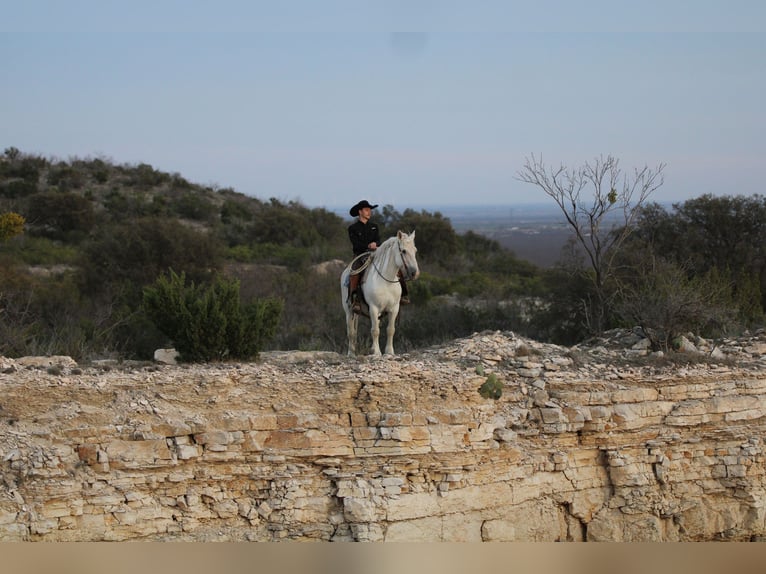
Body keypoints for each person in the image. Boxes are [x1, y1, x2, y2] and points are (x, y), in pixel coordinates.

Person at [347, 199, 409, 313]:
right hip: (360, 255)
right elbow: (356, 244)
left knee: (395, 266)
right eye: (366, 210)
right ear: (360, 212)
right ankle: (356, 300)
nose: (369, 212)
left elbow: (378, 241)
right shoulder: (353, 228)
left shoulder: (374, 226)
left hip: (376, 253)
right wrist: (368, 245)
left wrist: (376, 244)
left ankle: (404, 294)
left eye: (369, 210)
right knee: (355, 271)